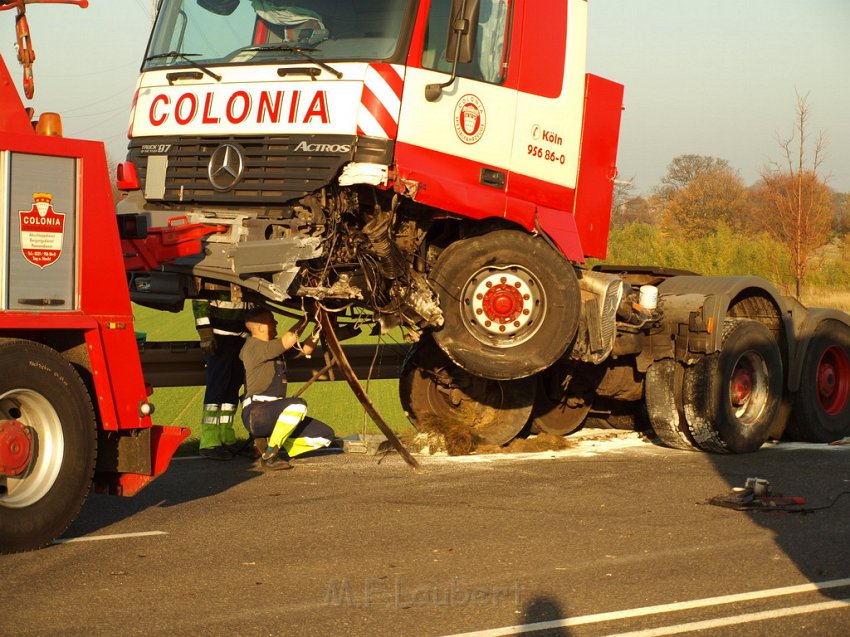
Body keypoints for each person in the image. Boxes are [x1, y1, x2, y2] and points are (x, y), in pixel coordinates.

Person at [240, 307, 335, 470]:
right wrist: (306, 318)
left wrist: (318, 326)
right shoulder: (253, 347)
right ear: (261, 327)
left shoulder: (272, 348)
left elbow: (306, 349)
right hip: (256, 413)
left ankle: (271, 443)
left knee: (325, 435)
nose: (276, 323)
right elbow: (289, 340)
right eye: (271, 320)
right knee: (298, 405)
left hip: (275, 413)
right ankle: (271, 454)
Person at [193, 295, 250, 460]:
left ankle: (226, 438)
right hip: (219, 337)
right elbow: (200, 302)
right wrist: (205, 335)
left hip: (242, 337)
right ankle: (209, 441)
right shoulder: (214, 275)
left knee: (232, 385)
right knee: (217, 387)